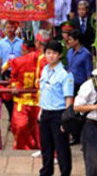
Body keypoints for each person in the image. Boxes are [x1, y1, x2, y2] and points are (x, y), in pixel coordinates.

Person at [38, 39, 74, 176]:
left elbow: (68, 98)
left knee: (61, 147)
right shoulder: (45, 70)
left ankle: (65, 173)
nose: (51, 56)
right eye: (48, 53)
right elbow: (43, 92)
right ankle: (46, 172)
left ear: (60, 55)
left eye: (54, 53)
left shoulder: (65, 73)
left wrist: (66, 119)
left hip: (59, 114)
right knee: (46, 146)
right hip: (45, 113)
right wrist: (41, 110)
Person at [7, 30, 48, 150]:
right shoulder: (23, 60)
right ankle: (26, 147)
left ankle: (43, 149)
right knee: (21, 125)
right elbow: (13, 76)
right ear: (37, 43)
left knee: (42, 129)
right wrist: (14, 85)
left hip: (43, 100)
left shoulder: (51, 61)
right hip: (24, 99)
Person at [65, 29, 93, 95]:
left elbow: (89, 72)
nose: (69, 42)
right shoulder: (69, 52)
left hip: (81, 85)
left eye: (70, 39)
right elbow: (68, 67)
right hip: (70, 84)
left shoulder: (86, 54)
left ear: (77, 40)